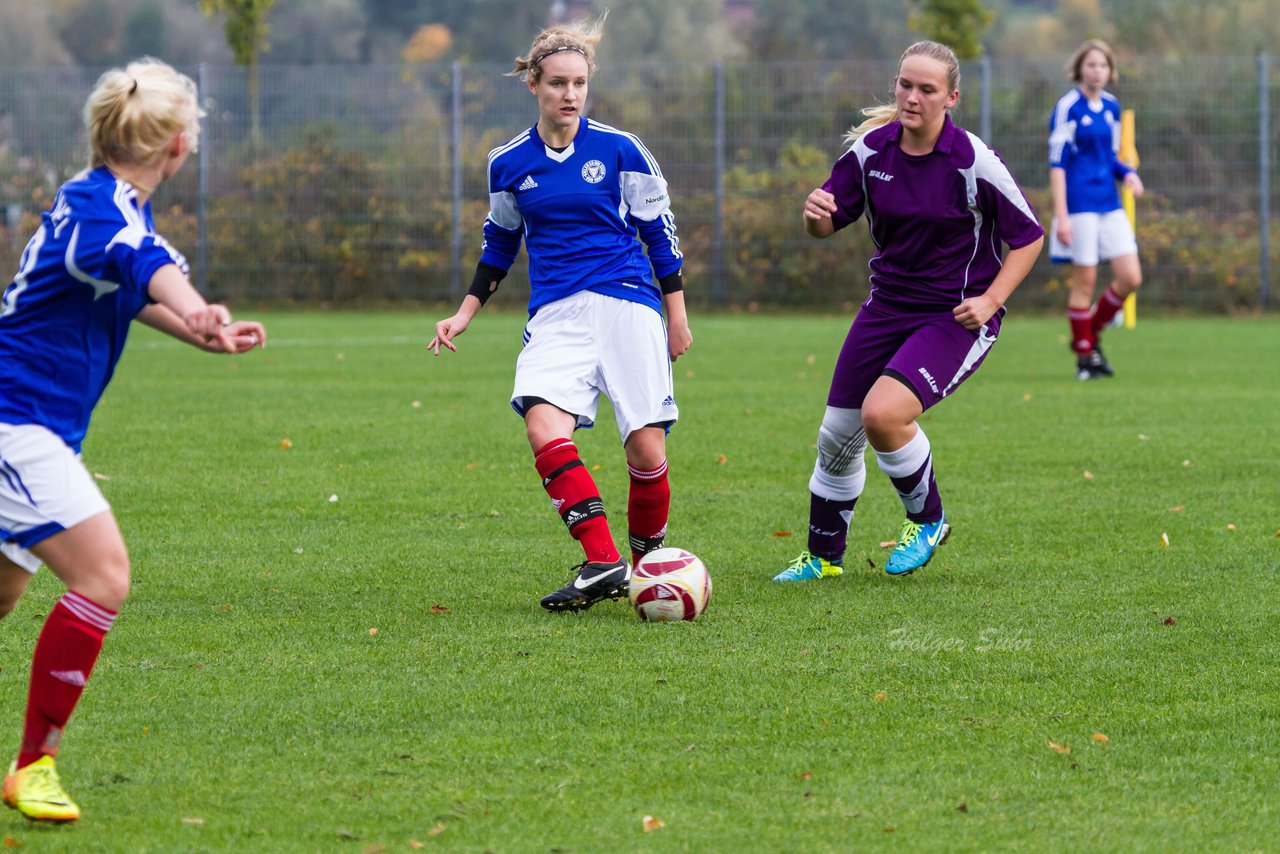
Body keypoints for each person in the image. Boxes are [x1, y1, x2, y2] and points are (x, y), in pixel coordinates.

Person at [0, 58, 266, 823]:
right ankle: (33, 766)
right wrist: (199, 305)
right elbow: (145, 267)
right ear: (179, 145)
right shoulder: (111, 213)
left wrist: (194, 330)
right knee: (104, 574)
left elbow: (119, 282)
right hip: (17, 427)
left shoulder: (96, 201)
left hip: (33, 428)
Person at [429, 15, 691, 612]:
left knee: (646, 451)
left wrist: (677, 315)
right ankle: (603, 562)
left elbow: (660, 235)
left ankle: (651, 567)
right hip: (556, 314)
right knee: (543, 425)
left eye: (579, 83)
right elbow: (500, 242)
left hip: (628, 303)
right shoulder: (507, 162)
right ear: (534, 87)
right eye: (557, 84)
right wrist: (465, 312)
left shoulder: (622, 149)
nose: (569, 95)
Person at [774, 41, 1044, 582]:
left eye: (926, 89)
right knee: (836, 433)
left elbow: (1029, 236)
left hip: (954, 316)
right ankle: (824, 558)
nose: (912, 97)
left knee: (883, 415)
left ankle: (928, 519)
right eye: (904, 85)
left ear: (951, 98)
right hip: (886, 307)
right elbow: (827, 224)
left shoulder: (972, 160)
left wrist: (992, 300)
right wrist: (812, 215)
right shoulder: (872, 152)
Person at [1048, 39, 1144, 381]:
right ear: (1080, 69)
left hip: (1110, 202)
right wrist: (1061, 214)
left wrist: (1128, 173)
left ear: (1110, 70)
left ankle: (1087, 336)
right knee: (1085, 280)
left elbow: (1112, 157)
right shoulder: (1067, 107)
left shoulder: (1112, 106)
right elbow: (1057, 163)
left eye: (1102, 65)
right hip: (1079, 205)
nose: (1097, 71)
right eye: (1091, 65)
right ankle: (1085, 359)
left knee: (1130, 277)